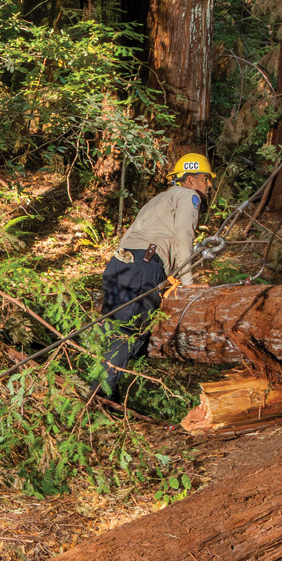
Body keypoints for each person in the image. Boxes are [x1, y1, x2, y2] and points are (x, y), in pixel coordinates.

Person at [98, 148, 214, 400]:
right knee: (129, 333)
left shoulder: (159, 199)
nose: (209, 184)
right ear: (191, 179)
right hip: (143, 265)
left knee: (115, 331)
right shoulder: (188, 196)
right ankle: (97, 398)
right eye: (206, 178)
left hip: (119, 264)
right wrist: (187, 282)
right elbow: (184, 235)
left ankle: (106, 395)